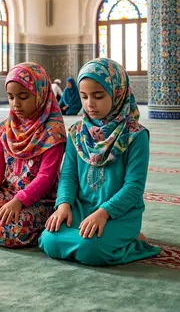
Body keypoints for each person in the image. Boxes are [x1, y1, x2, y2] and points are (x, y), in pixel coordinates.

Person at [39, 58, 160, 266]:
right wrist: (64, 205)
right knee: (50, 241)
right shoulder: (78, 132)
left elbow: (134, 187)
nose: (89, 104)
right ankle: (109, 240)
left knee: (90, 250)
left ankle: (134, 242)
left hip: (118, 213)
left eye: (98, 96)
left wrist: (103, 213)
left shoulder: (135, 135)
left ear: (117, 93)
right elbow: (69, 175)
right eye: (84, 96)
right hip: (81, 207)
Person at [0, 63, 66, 248]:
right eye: (10, 97)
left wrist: (19, 201)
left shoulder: (53, 131)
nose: (16, 103)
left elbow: (46, 177)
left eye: (23, 97)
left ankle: (19, 230)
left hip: (39, 200)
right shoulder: (6, 128)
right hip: (7, 194)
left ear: (41, 94)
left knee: (11, 230)